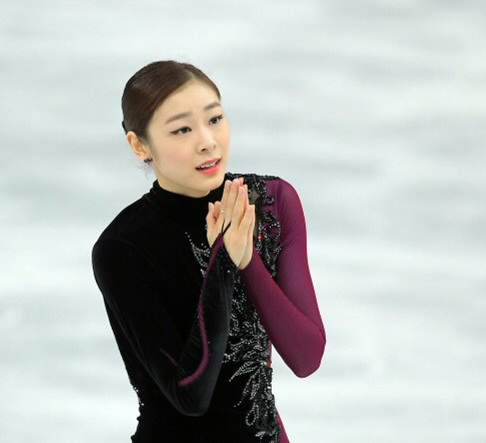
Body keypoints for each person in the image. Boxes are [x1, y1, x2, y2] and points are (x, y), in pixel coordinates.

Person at [91, 60, 326, 443]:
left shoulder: (271, 203)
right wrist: (223, 261)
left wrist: (247, 259)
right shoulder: (124, 248)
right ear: (139, 145)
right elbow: (190, 395)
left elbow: (306, 358)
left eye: (214, 119)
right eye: (182, 129)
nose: (207, 141)